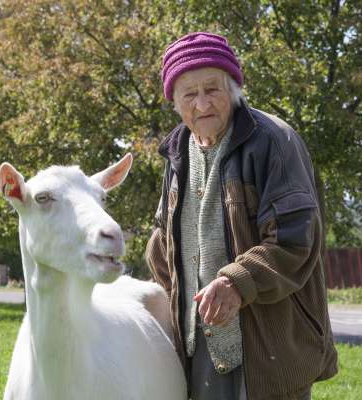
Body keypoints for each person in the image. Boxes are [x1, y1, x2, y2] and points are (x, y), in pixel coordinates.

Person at [145, 32, 338, 400]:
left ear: (233, 88)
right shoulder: (176, 153)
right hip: (198, 344)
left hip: (269, 347)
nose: (202, 103)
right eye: (189, 93)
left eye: (212, 89)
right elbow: (163, 241)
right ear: (175, 101)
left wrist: (236, 282)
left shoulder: (273, 142)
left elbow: (295, 239)